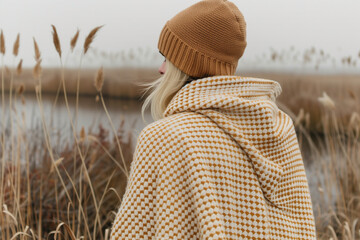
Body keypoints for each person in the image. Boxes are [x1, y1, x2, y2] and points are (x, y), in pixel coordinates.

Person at [110, 0, 317, 239]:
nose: (161, 69)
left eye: (167, 57)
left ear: (188, 63)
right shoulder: (278, 128)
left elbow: (134, 233)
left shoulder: (164, 138)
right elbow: (301, 225)